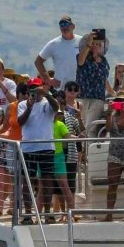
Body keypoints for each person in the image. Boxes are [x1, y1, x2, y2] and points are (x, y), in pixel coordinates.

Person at [16, 78, 57, 220]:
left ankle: (47, 213)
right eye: (32, 89)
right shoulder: (22, 104)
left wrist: (47, 94)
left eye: (36, 88)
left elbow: (57, 108)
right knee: (28, 181)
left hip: (46, 147)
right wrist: (29, 107)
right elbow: (20, 122)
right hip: (28, 148)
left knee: (47, 181)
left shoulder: (48, 103)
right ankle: (28, 214)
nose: (34, 92)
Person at [75, 30, 110, 129]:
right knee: (80, 125)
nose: (96, 46)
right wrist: (88, 44)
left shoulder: (104, 61)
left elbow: (103, 78)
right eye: (93, 44)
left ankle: (90, 144)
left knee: (91, 125)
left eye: (99, 44)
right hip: (82, 96)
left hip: (97, 98)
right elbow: (80, 62)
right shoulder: (82, 57)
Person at [35, 15, 80, 89]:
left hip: (79, 87)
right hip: (61, 88)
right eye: (61, 25)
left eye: (66, 24)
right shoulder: (53, 44)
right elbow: (38, 61)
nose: (64, 27)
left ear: (73, 26)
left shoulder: (82, 41)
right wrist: (48, 79)